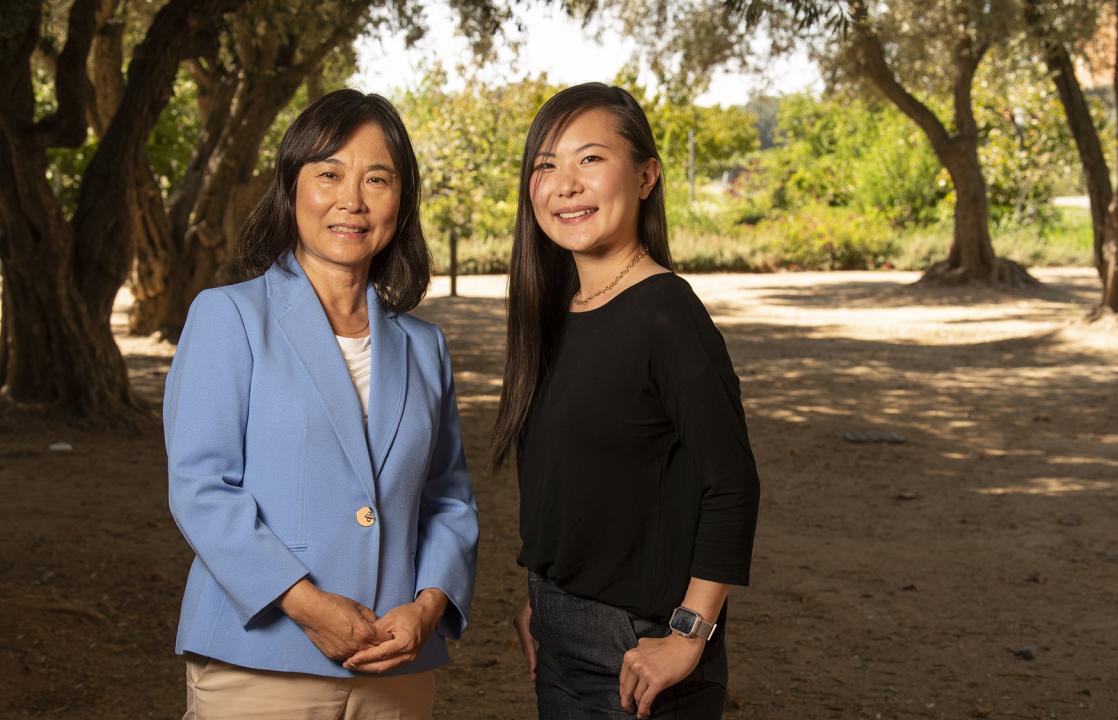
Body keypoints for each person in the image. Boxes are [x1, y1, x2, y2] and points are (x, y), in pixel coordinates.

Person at [165, 89, 477, 719]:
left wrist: (427, 607)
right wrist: (309, 606)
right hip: (257, 661)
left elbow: (448, 498)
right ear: (292, 188)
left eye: (377, 179)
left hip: (396, 666)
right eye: (329, 173)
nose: (351, 200)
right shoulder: (229, 316)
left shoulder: (425, 346)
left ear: (400, 200)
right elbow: (202, 487)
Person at [493, 82, 761, 719]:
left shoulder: (668, 314)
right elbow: (579, 484)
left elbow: (732, 485)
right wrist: (548, 598)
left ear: (646, 176)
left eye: (590, 159)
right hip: (557, 637)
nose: (565, 184)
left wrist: (689, 635)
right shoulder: (555, 314)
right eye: (545, 165)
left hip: (641, 652)